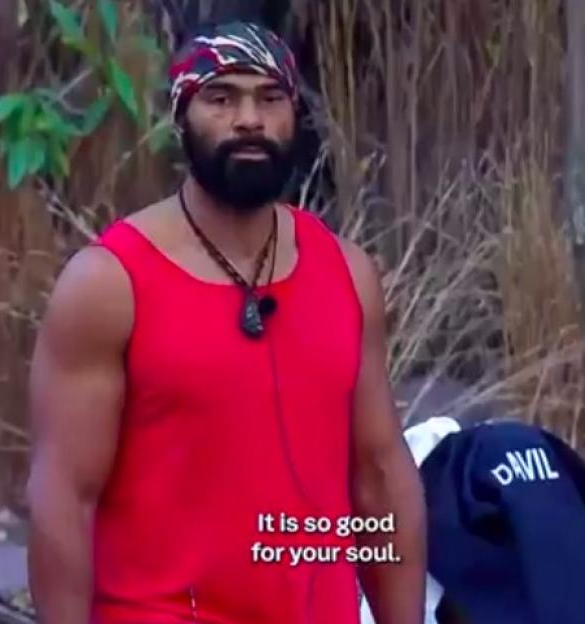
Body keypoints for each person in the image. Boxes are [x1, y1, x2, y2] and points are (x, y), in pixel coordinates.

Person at [25, 20, 427, 624]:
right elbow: (62, 500)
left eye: (270, 99)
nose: (249, 120)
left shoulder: (348, 274)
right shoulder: (108, 284)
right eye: (222, 98)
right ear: (180, 117)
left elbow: (379, 472)